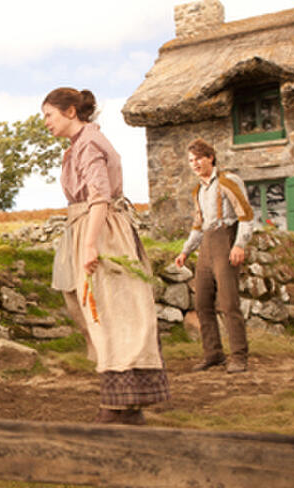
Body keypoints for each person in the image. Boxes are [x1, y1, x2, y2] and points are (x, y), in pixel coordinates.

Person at [42, 87, 169, 425]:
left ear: (71, 112)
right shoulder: (79, 146)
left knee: (114, 313)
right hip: (89, 227)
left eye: (49, 115)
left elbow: (100, 196)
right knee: (103, 316)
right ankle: (123, 403)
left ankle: (119, 407)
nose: (46, 123)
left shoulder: (90, 143)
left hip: (104, 233)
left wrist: (90, 245)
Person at [174, 138, 253, 374]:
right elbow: (198, 225)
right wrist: (185, 251)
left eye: (198, 158)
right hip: (206, 245)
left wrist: (239, 244)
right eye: (191, 160)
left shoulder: (228, 181)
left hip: (225, 239)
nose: (195, 164)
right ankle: (213, 354)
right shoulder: (198, 190)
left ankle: (239, 356)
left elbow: (246, 216)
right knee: (202, 302)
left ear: (210, 157)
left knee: (229, 302)